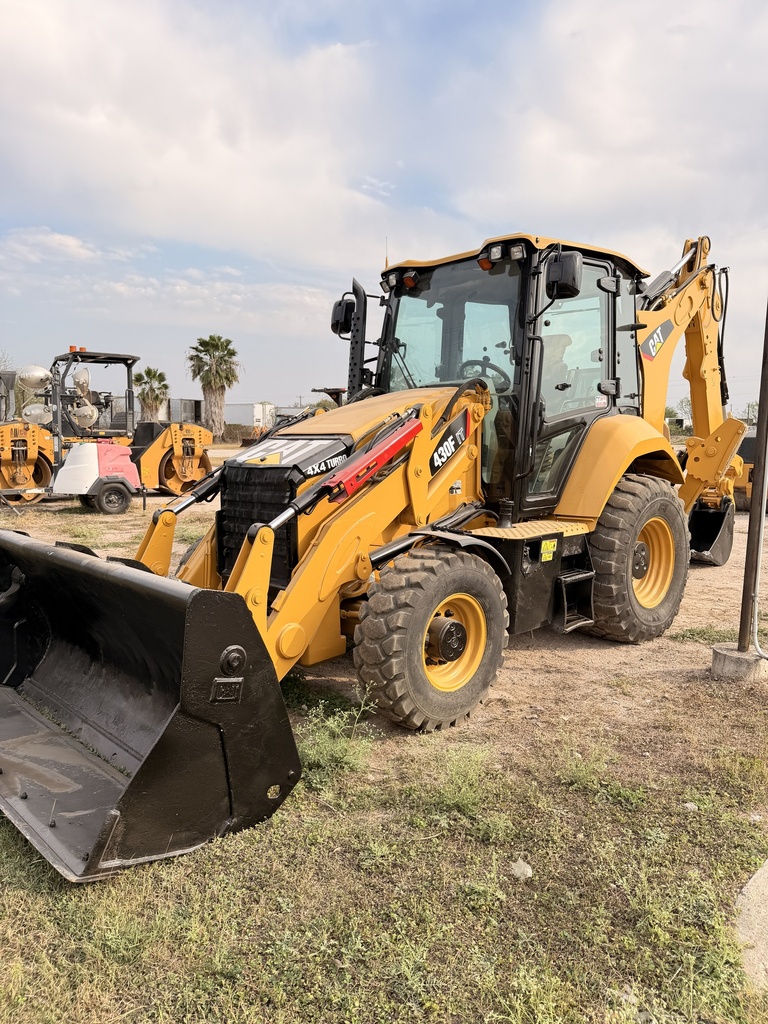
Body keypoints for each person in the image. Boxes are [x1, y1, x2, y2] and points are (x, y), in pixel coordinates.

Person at [540, 333, 572, 413]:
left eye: (564, 350)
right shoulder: (558, 368)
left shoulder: (560, 367)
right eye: (562, 349)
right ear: (552, 349)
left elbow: (559, 395)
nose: (563, 352)